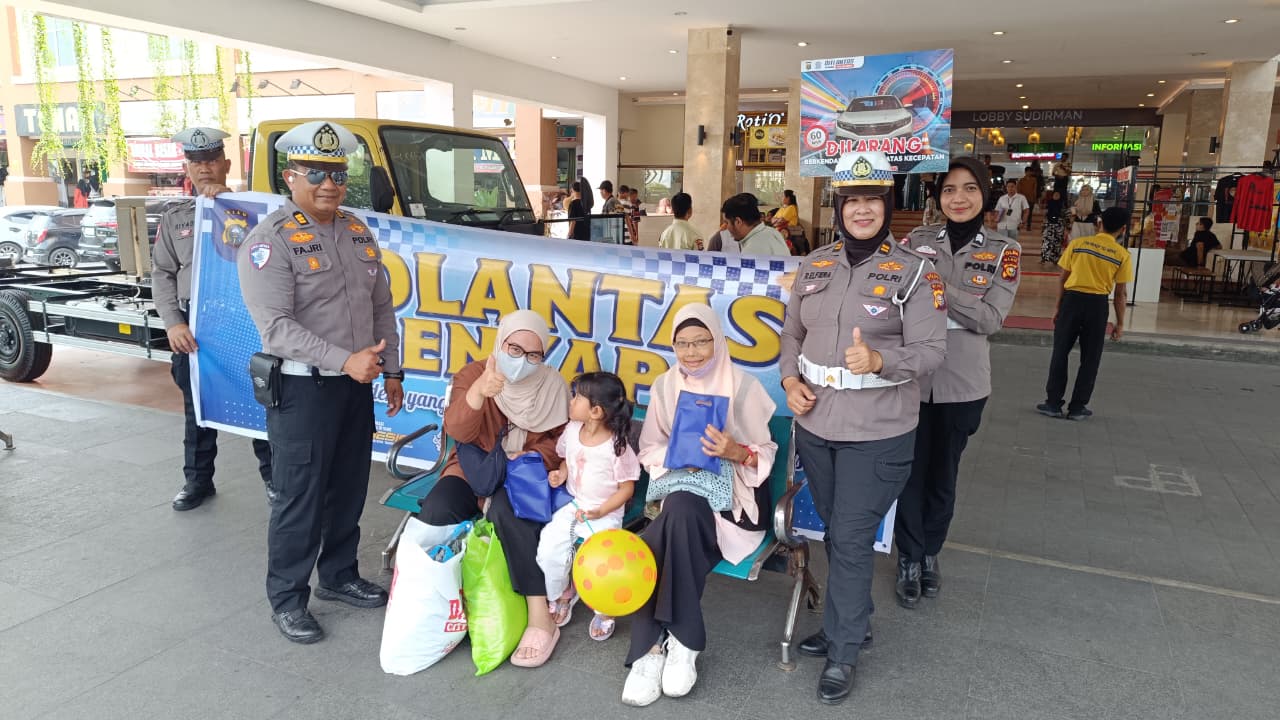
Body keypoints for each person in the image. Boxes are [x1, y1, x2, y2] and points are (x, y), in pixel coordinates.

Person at [781, 151, 946, 705]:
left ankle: (844, 648)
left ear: (887, 206)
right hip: (817, 423)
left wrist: (881, 362)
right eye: (852, 201)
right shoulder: (815, 264)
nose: (862, 210)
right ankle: (850, 622)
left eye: (873, 200)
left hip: (878, 432)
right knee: (836, 531)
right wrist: (789, 380)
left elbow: (932, 350)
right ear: (839, 207)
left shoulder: (916, 272)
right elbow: (791, 334)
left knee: (850, 537)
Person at [237, 120, 403, 644]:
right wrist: (344, 359)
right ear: (291, 176)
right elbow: (276, 328)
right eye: (315, 173)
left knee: (349, 488)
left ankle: (338, 575)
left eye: (337, 173)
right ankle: (287, 599)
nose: (329, 184)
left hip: (355, 387)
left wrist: (391, 369)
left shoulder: (357, 230)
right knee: (300, 498)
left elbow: (381, 307)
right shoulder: (269, 242)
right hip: (302, 390)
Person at [622, 304, 777, 707]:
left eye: (701, 342)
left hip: (733, 503)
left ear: (717, 341)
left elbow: (765, 452)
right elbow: (649, 449)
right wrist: (677, 456)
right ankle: (680, 642)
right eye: (682, 344)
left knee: (662, 534)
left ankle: (650, 648)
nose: (691, 352)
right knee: (678, 511)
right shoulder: (665, 386)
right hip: (683, 493)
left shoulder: (743, 386)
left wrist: (735, 451)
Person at [895, 158, 1020, 609]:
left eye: (969, 189)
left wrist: (933, 286)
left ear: (985, 195)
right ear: (938, 197)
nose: (959, 198)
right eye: (949, 190)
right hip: (911, 380)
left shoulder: (1005, 251)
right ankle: (908, 557)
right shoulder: (917, 240)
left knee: (943, 476)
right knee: (908, 473)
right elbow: (894, 295)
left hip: (963, 385)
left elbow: (990, 319)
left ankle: (930, 552)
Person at [415, 310, 570, 667]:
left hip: (522, 473)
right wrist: (478, 393)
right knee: (439, 507)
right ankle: (437, 602)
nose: (522, 361)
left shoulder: (552, 385)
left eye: (533, 355)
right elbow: (458, 430)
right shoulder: (474, 374)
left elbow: (561, 441)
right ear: (501, 343)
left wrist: (530, 456)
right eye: (515, 350)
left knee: (509, 513)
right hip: (473, 469)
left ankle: (540, 618)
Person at [154, 126, 273, 511]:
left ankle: (274, 481)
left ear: (226, 164)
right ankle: (198, 481)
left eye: (210, 160)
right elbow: (162, 273)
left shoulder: (256, 211)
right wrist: (173, 322)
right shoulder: (175, 217)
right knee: (198, 409)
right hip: (194, 326)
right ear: (187, 168)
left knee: (260, 402)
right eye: (196, 161)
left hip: (243, 319)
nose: (204, 168)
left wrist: (232, 204)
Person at [535, 372, 639, 643]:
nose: (571, 402)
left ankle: (604, 609)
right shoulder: (572, 430)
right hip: (573, 503)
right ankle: (562, 592)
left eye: (577, 397)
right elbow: (567, 459)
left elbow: (627, 488)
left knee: (604, 563)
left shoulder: (617, 447)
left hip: (605, 511)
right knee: (549, 549)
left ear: (595, 411)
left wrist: (602, 511)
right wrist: (561, 474)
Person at [1037, 207, 1134, 421]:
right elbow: (1121, 294)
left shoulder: (1078, 244)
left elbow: (1063, 278)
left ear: (1099, 223)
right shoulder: (1122, 255)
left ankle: (1053, 403)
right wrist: (1120, 323)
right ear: (1123, 229)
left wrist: (1058, 307)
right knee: (1090, 358)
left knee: (1060, 352)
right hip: (1097, 306)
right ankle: (1078, 407)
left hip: (1072, 301)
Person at [722, 193, 789, 255]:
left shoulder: (752, 249)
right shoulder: (772, 232)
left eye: (726, 222)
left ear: (738, 222)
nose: (725, 227)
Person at [773, 189, 809, 254]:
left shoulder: (791, 207)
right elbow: (772, 220)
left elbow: (782, 221)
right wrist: (778, 220)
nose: (781, 198)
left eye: (783, 196)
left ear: (788, 198)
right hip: (780, 231)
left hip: (789, 233)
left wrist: (777, 220)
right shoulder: (782, 208)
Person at [1041, 190, 1066, 264]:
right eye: (1055, 194)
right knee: (1046, 242)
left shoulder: (1062, 204)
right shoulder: (1049, 203)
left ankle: (1055, 259)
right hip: (1049, 225)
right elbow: (1045, 214)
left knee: (1057, 243)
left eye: (1058, 195)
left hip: (1059, 225)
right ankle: (1044, 258)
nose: (1056, 196)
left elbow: (1065, 215)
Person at [1017, 166, 1039, 231]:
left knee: (1029, 213)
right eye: (1027, 171)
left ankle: (1028, 226)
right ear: (1025, 172)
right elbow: (1019, 190)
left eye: (1030, 171)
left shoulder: (1034, 180)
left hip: (1031, 198)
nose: (1028, 173)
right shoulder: (1021, 180)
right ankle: (1019, 225)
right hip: (1023, 199)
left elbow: (1035, 189)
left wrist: (1035, 198)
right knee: (1021, 213)